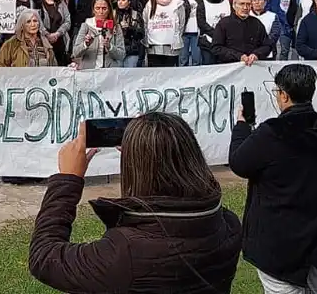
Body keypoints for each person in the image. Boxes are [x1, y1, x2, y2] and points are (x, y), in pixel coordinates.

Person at [28, 112, 243, 293]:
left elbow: (45, 257)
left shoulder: (126, 253)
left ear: (136, 169)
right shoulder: (228, 224)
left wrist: (68, 180)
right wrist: (147, 150)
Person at [230, 63, 317, 294]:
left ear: (284, 95)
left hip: (282, 245)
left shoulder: (273, 132)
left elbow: (238, 162)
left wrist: (241, 127)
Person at [209, 0, 271, 66]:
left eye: (248, 4)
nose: (245, 7)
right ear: (234, 5)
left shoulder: (257, 23)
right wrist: (239, 56)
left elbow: (267, 45)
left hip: (252, 67)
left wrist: (256, 54)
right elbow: (216, 48)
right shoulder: (224, 23)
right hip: (229, 68)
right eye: (242, 4)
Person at [73, 0, 127, 70]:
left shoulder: (116, 27)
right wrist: (86, 44)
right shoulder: (86, 25)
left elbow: (121, 55)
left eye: (104, 8)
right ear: (93, 10)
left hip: (109, 72)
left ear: (108, 10)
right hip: (89, 71)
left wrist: (110, 47)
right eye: (97, 8)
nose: (101, 12)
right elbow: (75, 53)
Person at [142, 0, 187, 68]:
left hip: (171, 48)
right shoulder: (150, 3)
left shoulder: (177, 4)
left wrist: (176, 37)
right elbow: (145, 21)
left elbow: (182, 24)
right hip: (154, 47)